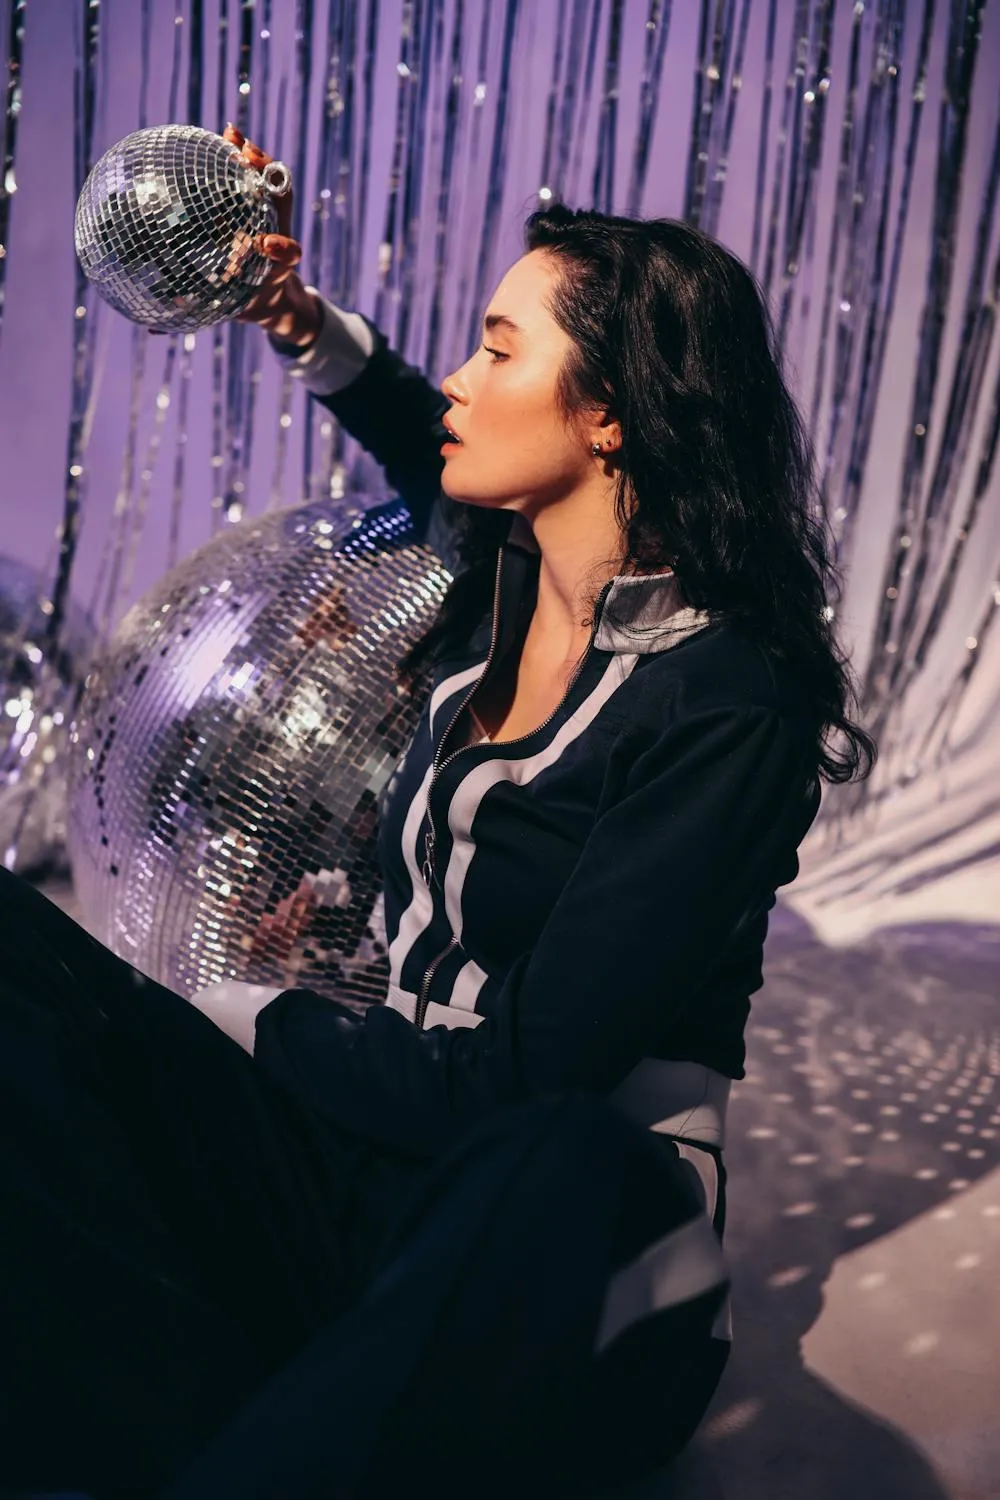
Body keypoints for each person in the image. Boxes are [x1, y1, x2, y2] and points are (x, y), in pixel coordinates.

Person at [0, 125, 875, 1500]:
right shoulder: (499, 583)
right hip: (370, 1172)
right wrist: (289, 316)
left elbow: (526, 1082)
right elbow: (420, 428)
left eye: (498, 349)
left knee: (557, 1144)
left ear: (612, 413)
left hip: (556, 1245)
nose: (462, 381)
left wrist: (257, 1016)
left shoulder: (730, 704)